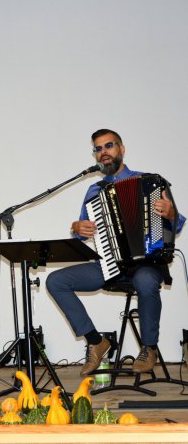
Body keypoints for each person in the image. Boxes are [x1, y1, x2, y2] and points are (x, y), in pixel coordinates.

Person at [46, 129, 185, 377]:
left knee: (144, 279)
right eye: (98, 149)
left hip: (147, 264)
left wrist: (171, 213)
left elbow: (178, 223)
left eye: (108, 146)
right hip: (109, 265)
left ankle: (149, 347)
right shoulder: (94, 191)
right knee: (56, 280)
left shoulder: (150, 181)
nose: (103, 152)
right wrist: (77, 228)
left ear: (122, 149)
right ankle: (96, 341)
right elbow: (83, 230)